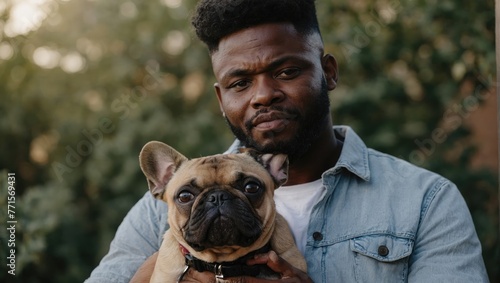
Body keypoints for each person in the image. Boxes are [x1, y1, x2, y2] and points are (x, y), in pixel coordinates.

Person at [85, 0, 489, 282]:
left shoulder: (424, 202)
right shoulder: (168, 205)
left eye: (286, 71)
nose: (263, 95)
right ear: (221, 99)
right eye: (240, 83)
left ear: (328, 72)